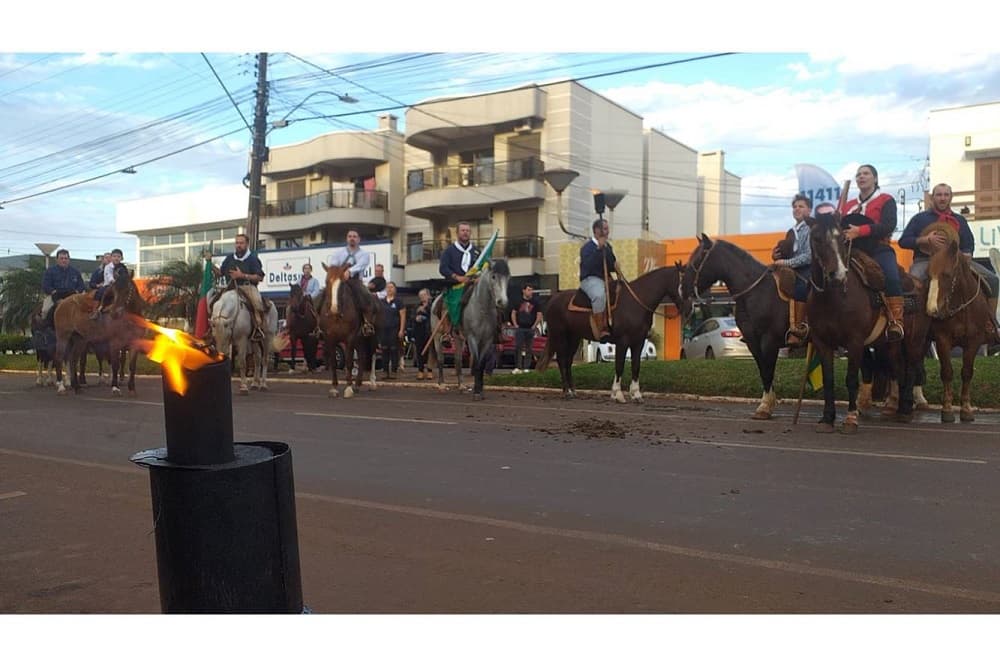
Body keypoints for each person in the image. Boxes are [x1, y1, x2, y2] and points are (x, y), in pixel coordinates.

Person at [899, 182, 1000, 345]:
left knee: (993, 280)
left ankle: (990, 323)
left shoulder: (959, 219)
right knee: (913, 284)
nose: (942, 198)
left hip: (955, 262)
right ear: (933, 198)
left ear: (950, 198)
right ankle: (911, 326)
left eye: (946, 195)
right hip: (925, 261)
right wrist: (925, 239)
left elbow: (968, 242)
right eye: (939, 195)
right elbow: (904, 241)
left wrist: (968, 253)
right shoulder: (919, 219)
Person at [839, 164, 905, 342]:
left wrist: (860, 231)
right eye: (858, 174)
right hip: (851, 250)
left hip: (878, 248)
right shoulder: (849, 205)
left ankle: (895, 320)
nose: (861, 177)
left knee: (891, 276)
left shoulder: (886, 200)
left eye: (866, 173)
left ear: (875, 179)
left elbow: (888, 225)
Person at [771, 194, 814, 346]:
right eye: (795, 207)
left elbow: (809, 256)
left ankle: (799, 329)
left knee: (801, 288)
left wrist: (786, 262)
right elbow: (788, 252)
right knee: (769, 282)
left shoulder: (811, 228)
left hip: (808, 269)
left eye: (801, 206)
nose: (797, 209)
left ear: (809, 210)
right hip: (792, 268)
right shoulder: (792, 231)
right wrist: (776, 256)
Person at [213, 233, 267, 340]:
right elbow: (221, 273)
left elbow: (259, 277)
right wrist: (210, 264)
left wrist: (242, 275)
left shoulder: (252, 259)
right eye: (237, 243)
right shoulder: (229, 258)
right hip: (230, 288)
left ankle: (258, 328)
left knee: (258, 303)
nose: (239, 245)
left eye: (241, 243)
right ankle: (214, 328)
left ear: (246, 244)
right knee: (213, 302)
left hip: (247, 287)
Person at [326, 229, 378, 336]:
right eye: (350, 236)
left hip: (355, 281)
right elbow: (334, 265)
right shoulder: (338, 253)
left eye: (354, 236)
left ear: (359, 239)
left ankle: (367, 324)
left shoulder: (364, 254)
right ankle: (318, 325)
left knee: (367, 297)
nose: (352, 238)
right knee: (322, 295)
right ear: (347, 239)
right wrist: (340, 272)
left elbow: (361, 265)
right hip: (340, 281)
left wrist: (350, 271)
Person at [580, 217, 622, 343]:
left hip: (606, 278)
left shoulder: (608, 246)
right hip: (590, 279)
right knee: (599, 296)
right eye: (605, 229)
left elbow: (611, 264)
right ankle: (601, 328)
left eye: (608, 229)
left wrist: (619, 274)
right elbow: (588, 265)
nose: (607, 231)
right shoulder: (587, 248)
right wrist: (598, 249)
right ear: (597, 231)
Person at [438, 221, 481, 338]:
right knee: (447, 305)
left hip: (472, 284)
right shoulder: (448, 251)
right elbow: (443, 268)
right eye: (463, 230)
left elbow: (482, 266)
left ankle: (496, 329)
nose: (465, 233)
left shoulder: (476, 251)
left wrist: (479, 277)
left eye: (467, 231)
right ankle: (448, 331)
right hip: (454, 285)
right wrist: (457, 277)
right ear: (457, 233)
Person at [41, 249, 86, 327]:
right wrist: (54, 293)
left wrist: (77, 291)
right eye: (61, 258)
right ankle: (46, 329)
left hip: (72, 297)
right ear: (57, 259)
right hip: (55, 296)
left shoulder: (75, 272)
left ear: (69, 259)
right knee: (45, 311)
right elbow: (46, 285)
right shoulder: (50, 271)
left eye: (66, 258)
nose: (64, 260)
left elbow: (81, 285)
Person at [510, 283, 542, 373]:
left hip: (530, 328)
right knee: (518, 347)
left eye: (531, 290)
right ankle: (518, 367)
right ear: (523, 290)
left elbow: (539, 314)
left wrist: (534, 326)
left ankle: (526, 367)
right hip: (520, 327)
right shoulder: (518, 301)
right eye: (528, 290)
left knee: (529, 348)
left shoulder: (536, 302)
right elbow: (513, 313)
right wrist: (515, 324)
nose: (530, 292)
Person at [377, 282, 406, 380]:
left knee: (394, 349)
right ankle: (385, 371)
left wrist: (401, 330)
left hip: (394, 328)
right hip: (384, 329)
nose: (389, 289)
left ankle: (394, 371)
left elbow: (402, 316)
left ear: (395, 289)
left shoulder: (399, 302)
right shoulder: (382, 302)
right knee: (384, 349)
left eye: (391, 287)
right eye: (388, 287)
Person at [91, 248, 124, 319]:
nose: (116, 258)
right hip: (109, 285)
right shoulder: (108, 267)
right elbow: (109, 276)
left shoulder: (123, 267)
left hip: (120, 286)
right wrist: (114, 281)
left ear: (121, 258)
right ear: (112, 258)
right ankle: (96, 310)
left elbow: (125, 276)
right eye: (114, 256)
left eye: (118, 257)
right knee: (100, 293)